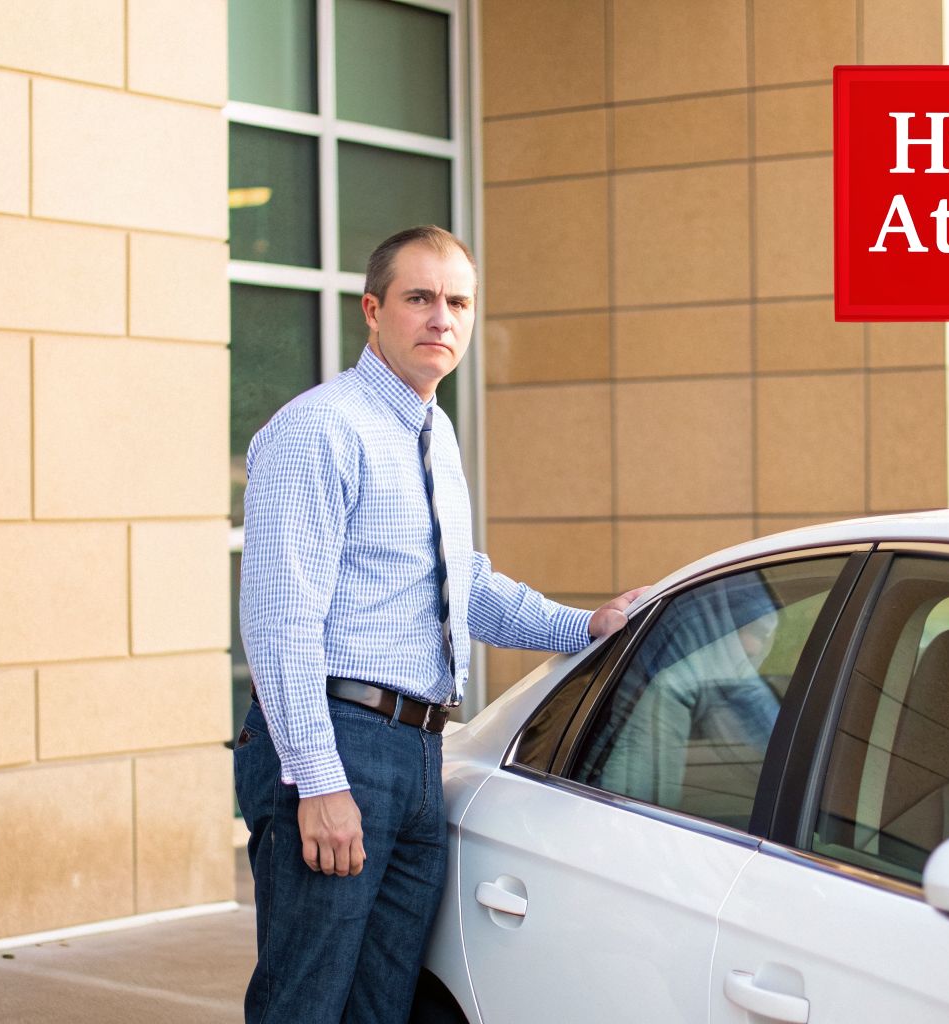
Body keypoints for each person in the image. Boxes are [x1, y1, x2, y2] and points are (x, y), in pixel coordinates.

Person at [235, 224, 645, 1023]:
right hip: (340, 744)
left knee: (381, 1007)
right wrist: (318, 781)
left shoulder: (432, 432)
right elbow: (281, 622)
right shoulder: (321, 429)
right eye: (419, 298)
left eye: (457, 301)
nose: (441, 318)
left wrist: (584, 626)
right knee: (305, 1005)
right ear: (373, 309)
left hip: (421, 756)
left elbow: (464, 584)